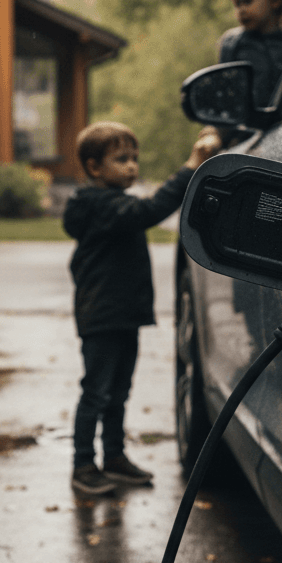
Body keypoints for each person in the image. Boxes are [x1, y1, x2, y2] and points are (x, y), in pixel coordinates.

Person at [63, 121, 221, 496]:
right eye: (121, 159)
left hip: (123, 316)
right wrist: (190, 167)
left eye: (134, 158)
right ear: (93, 167)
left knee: (118, 391)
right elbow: (149, 210)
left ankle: (114, 457)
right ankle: (83, 465)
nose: (132, 166)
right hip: (102, 318)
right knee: (96, 392)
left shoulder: (112, 203)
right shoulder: (99, 205)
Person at [217, 0, 282, 109]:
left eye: (247, 1)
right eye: (237, 4)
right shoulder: (233, 44)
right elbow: (225, 90)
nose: (241, 10)